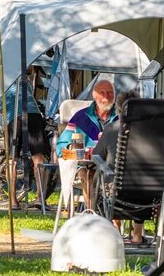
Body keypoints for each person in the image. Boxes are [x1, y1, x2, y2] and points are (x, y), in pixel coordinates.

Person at [55, 78, 118, 211]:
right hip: (88, 165)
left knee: (118, 177)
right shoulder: (81, 117)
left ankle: (114, 219)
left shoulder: (121, 117)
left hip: (114, 164)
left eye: (110, 93)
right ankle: (92, 214)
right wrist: (72, 149)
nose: (106, 97)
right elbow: (61, 146)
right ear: (94, 95)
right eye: (102, 93)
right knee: (88, 174)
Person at [93, 88, 146, 244]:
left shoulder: (111, 128)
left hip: (116, 191)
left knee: (108, 176)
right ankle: (137, 235)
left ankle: (115, 229)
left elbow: (96, 155)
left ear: (119, 108)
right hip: (147, 192)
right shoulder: (149, 130)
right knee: (140, 186)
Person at [0, 77, 49, 204]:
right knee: (38, 159)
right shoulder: (23, 77)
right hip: (34, 114)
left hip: (15, 118)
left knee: (12, 160)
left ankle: (13, 201)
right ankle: (40, 199)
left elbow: (1, 109)